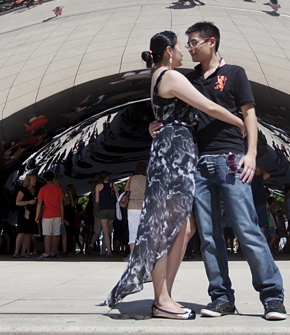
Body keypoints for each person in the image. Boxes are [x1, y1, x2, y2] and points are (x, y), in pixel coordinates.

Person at [105, 31, 245, 320]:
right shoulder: (169, 76)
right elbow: (207, 106)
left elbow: (167, 114)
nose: (183, 52)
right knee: (163, 227)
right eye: (180, 47)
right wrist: (238, 120)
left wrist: (157, 126)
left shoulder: (161, 76)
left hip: (175, 152)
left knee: (184, 227)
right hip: (172, 157)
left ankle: (164, 294)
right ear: (168, 51)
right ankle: (161, 299)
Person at [177, 21, 287, 321]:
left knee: (247, 229)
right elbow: (180, 116)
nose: (190, 48)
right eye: (188, 43)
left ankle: (272, 297)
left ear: (211, 42)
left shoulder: (234, 73)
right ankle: (221, 298)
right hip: (200, 164)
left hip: (230, 159)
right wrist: (154, 125)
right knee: (210, 237)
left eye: (194, 42)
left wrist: (250, 154)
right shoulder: (191, 79)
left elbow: (249, 113)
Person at [36, 172, 65, 259]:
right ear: (53, 179)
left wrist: (37, 215)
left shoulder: (43, 189)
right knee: (56, 234)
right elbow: (61, 203)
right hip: (57, 214)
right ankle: (54, 252)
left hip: (47, 214)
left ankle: (47, 252)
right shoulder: (58, 189)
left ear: (44, 179)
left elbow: (39, 203)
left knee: (47, 234)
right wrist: (62, 216)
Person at [124, 162, 147, 255]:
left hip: (132, 206)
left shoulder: (131, 178)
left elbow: (126, 190)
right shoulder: (148, 179)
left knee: (133, 232)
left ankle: (133, 255)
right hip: (144, 207)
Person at [13, 174, 38, 258]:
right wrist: (28, 202)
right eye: (33, 180)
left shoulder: (35, 190)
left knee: (28, 233)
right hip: (23, 213)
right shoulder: (23, 190)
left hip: (32, 213)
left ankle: (23, 251)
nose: (35, 181)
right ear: (29, 180)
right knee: (21, 231)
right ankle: (16, 251)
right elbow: (17, 202)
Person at [94, 172, 116, 258]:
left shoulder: (98, 186)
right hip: (112, 209)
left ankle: (109, 251)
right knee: (108, 231)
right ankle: (103, 250)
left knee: (105, 232)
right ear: (107, 177)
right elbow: (118, 196)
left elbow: (96, 200)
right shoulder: (112, 184)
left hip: (103, 209)